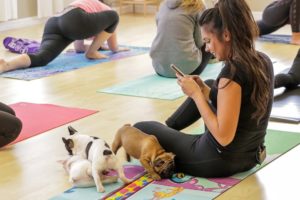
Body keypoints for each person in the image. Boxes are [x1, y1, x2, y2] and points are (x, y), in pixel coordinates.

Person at [134, 0, 274, 177]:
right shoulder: (262, 60)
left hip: (217, 161)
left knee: (140, 128)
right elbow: (241, 107)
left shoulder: (231, 74)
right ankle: (169, 131)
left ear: (226, 35)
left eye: (208, 41)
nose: (207, 48)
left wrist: (196, 95)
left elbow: (223, 137)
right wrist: (202, 91)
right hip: (250, 157)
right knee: (207, 84)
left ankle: (166, 135)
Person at [0, 0, 127, 74]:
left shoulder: (86, 11)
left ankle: (6, 65)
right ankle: (92, 52)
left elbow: (79, 47)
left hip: (54, 22)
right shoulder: (105, 9)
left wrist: (96, 45)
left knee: (42, 57)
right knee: (114, 16)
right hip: (73, 20)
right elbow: (112, 42)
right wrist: (114, 49)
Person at [150, 0, 213, 78]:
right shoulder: (197, 6)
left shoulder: (162, 5)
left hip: (159, 68)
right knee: (210, 39)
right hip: (188, 71)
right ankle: (213, 58)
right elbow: (200, 42)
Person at [256, 0, 300, 89]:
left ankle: (262, 84)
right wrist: (296, 34)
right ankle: (258, 85)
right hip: (273, 13)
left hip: (278, 18)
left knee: (293, 78)